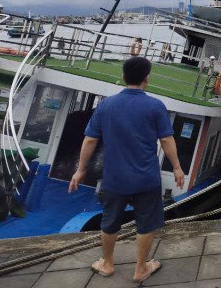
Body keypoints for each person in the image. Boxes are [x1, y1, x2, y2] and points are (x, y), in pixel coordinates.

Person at [68, 57, 185, 283]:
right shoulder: (155, 106)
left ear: (124, 77)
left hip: (114, 178)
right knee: (146, 224)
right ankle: (141, 268)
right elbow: (167, 141)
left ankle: (107, 263)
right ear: (146, 78)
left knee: (110, 221)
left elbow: (90, 141)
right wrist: (178, 168)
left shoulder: (106, 105)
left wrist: (80, 170)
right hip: (146, 178)